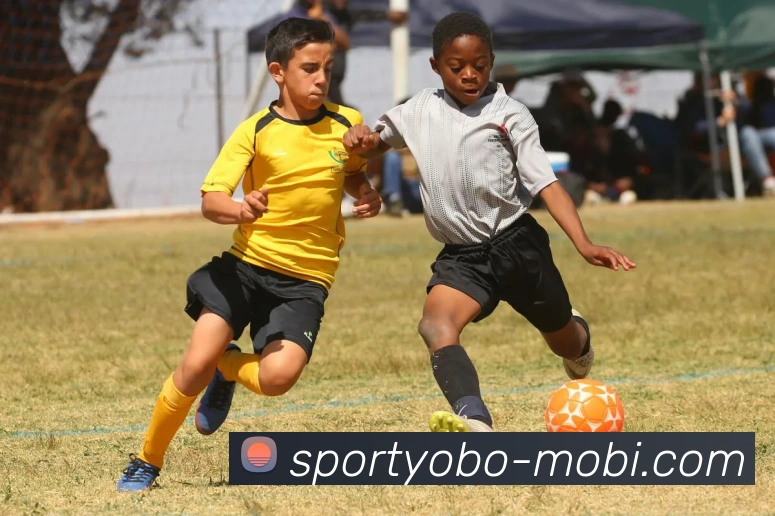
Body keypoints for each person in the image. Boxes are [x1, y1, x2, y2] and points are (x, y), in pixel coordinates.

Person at [116, 17, 381, 491]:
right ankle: (146, 461)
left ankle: (228, 369)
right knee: (192, 364)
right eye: (309, 68)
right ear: (278, 72)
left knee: (279, 378)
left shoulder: (348, 121)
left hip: (306, 280)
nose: (322, 78)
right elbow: (210, 199)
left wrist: (367, 191)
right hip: (245, 268)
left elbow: (353, 170)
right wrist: (241, 209)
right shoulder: (255, 130)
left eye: (328, 67)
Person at [343, 12, 635, 433]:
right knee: (435, 324)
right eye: (456, 66)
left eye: (479, 65)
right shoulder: (417, 110)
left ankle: (577, 332)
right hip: (463, 258)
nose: (469, 75)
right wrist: (360, 143)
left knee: (565, 342)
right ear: (435, 65)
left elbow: (547, 185)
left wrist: (585, 244)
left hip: (518, 247)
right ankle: (474, 418)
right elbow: (367, 148)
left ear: (491, 61)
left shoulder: (510, 114)